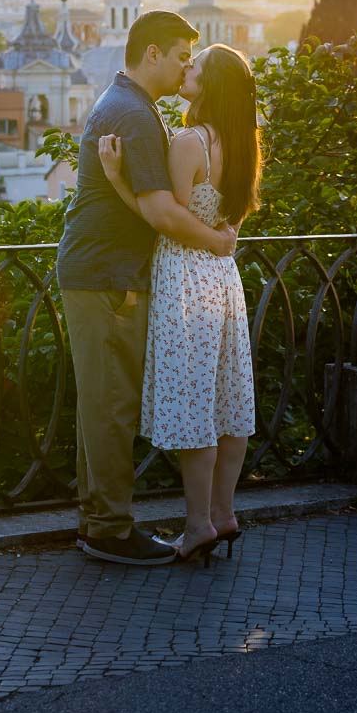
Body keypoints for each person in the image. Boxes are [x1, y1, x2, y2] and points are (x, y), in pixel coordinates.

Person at [56, 12, 238, 567]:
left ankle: (99, 521)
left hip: (102, 271)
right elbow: (161, 211)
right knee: (112, 405)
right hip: (107, 274)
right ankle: (109, 529)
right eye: (184, 54)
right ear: (153, 53)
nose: (188, 63)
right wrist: (217, 242)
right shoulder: (134, 115)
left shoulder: (130, 106)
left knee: (103, 402)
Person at [99, 43, 261, 564]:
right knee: (227, 404)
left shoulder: (189, 141)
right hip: (224, 278)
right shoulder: (244, 144)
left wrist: (115, 180)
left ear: (209, 86)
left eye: (197, 66)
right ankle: (224, 513)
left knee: (194, 410)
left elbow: (161, 216)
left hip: (185, 278)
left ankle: (197, 527)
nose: (187, 70)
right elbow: (226, 226)